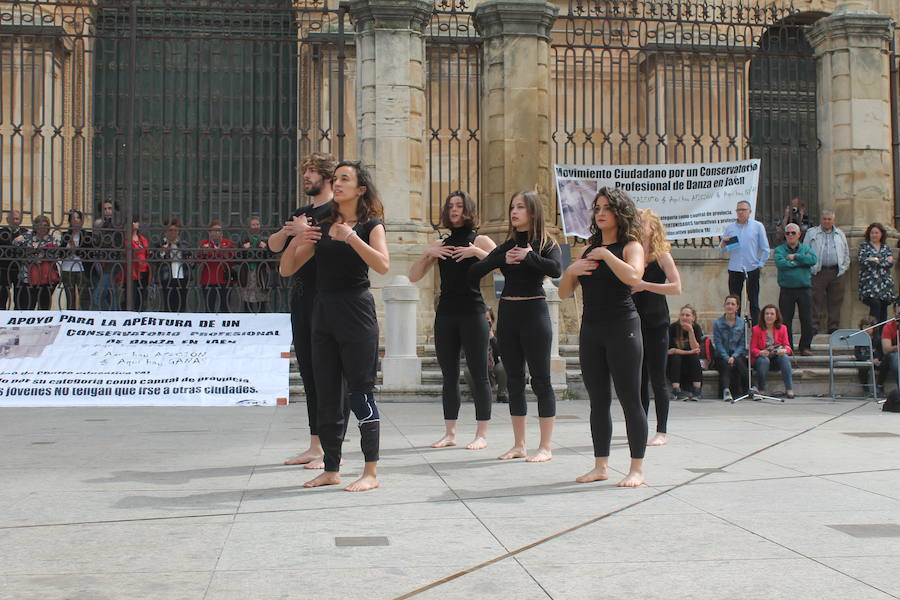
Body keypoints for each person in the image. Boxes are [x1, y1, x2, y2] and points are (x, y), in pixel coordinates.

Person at [279, 160, 389, 492]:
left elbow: (382, 265)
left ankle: (370, 472)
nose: (337, 184)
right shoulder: (323, 224)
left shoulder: (372, 225)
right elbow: (287, 269)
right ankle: (331, 467)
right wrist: (298, 241)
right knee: (327, 392)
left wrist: (352, 237)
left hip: (356, 310)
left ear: (360, 189)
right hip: (322, 312)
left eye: (345, 179)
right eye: (336, 178)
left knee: (359, 392)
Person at [558, 187, 647, 486]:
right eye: (597, 207)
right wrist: (571, 269)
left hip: (623, 327)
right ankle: (601, 466)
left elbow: (634, 277)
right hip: (591, 330)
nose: (600, 212)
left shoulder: (630, 246)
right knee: (598, 401)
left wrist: (607, 256)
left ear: (619, 212)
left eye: (606, 207)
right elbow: (563, 292)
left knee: (630, 400)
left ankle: (636, 469)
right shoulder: (587, 249)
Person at [468, 191, 562, 463]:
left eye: (520, 207)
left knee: (541, 380)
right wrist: (501, 260)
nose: (514, 211)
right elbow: (474, 273)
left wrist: (530, 257)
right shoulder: (506, 246)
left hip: (535, 313)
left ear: (532, 212)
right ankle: (519, 444)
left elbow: (556, 269)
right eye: (512, 207)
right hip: (508, 313)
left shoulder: (546, 243)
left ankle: (545, 446)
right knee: (515, 380)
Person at [409, 191, 497, 450]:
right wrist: (429, 253)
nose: (454, 209)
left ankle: (481, 433)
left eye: (459, 205)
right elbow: (414, 276)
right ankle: (450, 433)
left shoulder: (479, 239)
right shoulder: (441, 242)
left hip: (473, 313)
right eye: (450, 206)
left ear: (468, 209)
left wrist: (476, 252)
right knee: (449, 375)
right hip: (446, 314)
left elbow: (503, 266)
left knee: (480, 373)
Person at [269, 152, 337, 469]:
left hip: (327, 299)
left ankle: (329, 447)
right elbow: (273, 246)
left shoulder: (336, 213)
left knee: (328, 375)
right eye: (304, 170)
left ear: (326, 175)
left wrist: (299, 238)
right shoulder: (301, 214)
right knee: (309, 374)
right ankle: (314, 445)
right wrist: (290, 233)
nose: (306, 176)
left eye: (311, 171)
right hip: (301, 300)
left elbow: (312, 252)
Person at [632, 208, 682, 447]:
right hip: (634, 321)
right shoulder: (632, 253)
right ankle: (640, 426)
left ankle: (662, 430)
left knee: (658, 377)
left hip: (657, 322)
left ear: (653, 228)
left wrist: (645, 285)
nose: (638, 227)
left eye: (642, 224)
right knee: (638, 377)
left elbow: (676, 287)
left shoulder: (662, 255)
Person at [720, 200, 769, 326]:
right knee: (734, 302)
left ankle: (757, 331)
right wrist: (723, 244)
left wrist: (760, 264)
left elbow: (765, 248)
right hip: (735, 268)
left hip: (752, 267)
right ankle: (735, 329)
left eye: (743, 210)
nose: (741, 212)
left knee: (753, 301)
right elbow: (722, 250)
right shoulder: (730, 228)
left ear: (750, 212)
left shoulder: (757, 226)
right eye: (738, 210)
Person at [774, 222, 817, 356]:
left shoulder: (806, 249)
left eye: (793, 233)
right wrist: (801, 262)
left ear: (799, 235)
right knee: (785, 320)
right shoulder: (779, 250)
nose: (790, 235)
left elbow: (813, 260)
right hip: (787, 289)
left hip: (804, 289)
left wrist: (796, 257)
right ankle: (788, 346)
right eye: (788, 233)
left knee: (807, 319)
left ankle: (805, 347)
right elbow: (781, 264)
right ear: (785, 235)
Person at [805, 210, 850, 334]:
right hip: (818, 272)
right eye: (824, 219)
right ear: (821, 220)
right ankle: (813, 326)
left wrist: (844, 267)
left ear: (833, 221)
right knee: (815, 300)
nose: (827, 221)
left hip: (836, 272)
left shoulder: (840, 234)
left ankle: (833, 327)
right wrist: (810, 267)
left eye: (829, 219)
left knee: (836, 300)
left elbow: (846, 252)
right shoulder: (811, 233)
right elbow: (805, 251)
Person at [13, 215, 60, 310]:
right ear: (35, 226)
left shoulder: (52, 239)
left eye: (45, 225)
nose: (42, 228)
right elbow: (15, 245)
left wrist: (38, 252)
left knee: (44, 306)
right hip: (28, 277)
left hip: (45, 278)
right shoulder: (28, 235)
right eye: (40, 225)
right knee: (28, 306)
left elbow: (56, 255)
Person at [750, 304, 795, 399]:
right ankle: (761, 389)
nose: (769, 316)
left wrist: (784, 350)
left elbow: (788, 347)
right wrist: (760, 352)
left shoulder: (783, 328)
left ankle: (789, 389)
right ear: (763, 316)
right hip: (762, 360)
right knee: (764, 360)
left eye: (772, 314)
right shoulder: (756, 329)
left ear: (776, 316)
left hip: (776, 359)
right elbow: (753, 349)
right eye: (767, 314)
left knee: (785, 357)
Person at [464, 308, 508, 404]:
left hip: (494, 368)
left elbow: (502, 352)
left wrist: (492, 338)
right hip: (479, 368)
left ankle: (501, 394)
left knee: (504, 367)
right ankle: (477, 395)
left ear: (492, 320)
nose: (485, 322)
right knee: (467, 371)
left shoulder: (497, 334)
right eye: (482, 319)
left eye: (487, 319)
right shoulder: (473, 335)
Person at [857, 222, 895, 327]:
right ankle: (873, 333)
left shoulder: (886, 248)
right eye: (872, 233)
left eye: (877, 233)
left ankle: (882, 337)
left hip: (884, 284)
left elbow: (890, 263)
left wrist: (875, 260)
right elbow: (862, 260)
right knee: (875, 305)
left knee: (883, 308)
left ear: (881, 234)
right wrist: (881, 261)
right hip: (870, 283)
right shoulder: (864, 246)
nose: (874, 235)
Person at [713, 295, 748, 402]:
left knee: (741, 362)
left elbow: (742, 343)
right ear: (724, 306)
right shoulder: (717, 323)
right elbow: (718, 343)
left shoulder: (742, 323)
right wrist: (727, 357)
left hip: (737, 354)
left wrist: (734, 356)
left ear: (737, 307)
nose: (730, 306)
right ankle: (726, 390)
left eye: (733, 304)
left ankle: (749, 388)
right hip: (722, 354)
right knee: (725, 364)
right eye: (728, 303)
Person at [91, 200, 124, 311]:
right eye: (104, 209)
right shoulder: (99, 224)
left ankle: (110, 315)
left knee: (97, 297)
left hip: (112, 264)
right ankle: (115, 319)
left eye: (109, 208)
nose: (107, 211)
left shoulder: (118, 224)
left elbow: (118, 244)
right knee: (111, 295)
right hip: (100, 263)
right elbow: (95, 243)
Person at [668, 305, 704, 401]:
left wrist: (691, 331)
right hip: (673, 362)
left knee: (694, 358)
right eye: (682, 315)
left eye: (687, 315)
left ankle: (697, 390)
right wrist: (689, 352)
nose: (684, 317)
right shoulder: (672, 327)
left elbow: (695, 348)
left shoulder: (696, 328)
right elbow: (670, 351)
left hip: (689, 362)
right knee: (676, 357)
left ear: (693, 318)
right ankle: (676, 390)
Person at [154, 217, 191, 312]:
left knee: (182, 304)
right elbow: (155, 259)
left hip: (182, 277)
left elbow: (191, 261)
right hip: (167, 277)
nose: (172, 233)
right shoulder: (160, 244)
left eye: (175, 230)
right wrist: (163, 251)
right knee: (168, 304)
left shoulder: (184, 244)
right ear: (165, 232)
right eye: (170, 230)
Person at [198, 220, 235, 313]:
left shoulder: (228, 243)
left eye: (219, 231)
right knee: (209, 307)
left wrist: (226, 254)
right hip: (208, 279)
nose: (216, 233)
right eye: (214, 230)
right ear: (209, 232)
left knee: (225, 306)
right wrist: (204, 253)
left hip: (224, 278)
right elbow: (199, 261)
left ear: (222, 232)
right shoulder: (204, 244)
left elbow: (233, 261)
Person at [59, 210, 94, 310]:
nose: (75, 220)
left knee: (84, 297)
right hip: (67, 269)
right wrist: (69, 251)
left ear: (81, 221)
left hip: (82, 269)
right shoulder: (65, 235)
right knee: (70, 298)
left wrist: (75, 249)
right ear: (69, 221)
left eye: (78, 218)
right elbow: (60, 253)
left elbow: (88, 253)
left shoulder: (87, 235)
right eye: (73, 218)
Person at [237, 216, 271, 313]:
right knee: (248, 298)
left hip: (261, 272)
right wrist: (244, 249)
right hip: (247, 271)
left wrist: (266, 248)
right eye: (253, 225)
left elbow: (271, 257)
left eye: (257, 224)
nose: (255, 227)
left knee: (261, 297)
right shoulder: (243, 239)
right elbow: (238, 258)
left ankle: (262, 319)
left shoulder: (265, 239)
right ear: (249, 226)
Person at [0, 210, 27, 309]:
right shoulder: (2, 232)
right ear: (7, 220)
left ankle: (18, 319)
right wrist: (14, 241)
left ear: (20, 220)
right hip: (4, 269)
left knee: (20, 298)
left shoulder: (25, 232)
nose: (14, 221)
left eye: (17, 219)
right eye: (12, 219)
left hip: (20, 269)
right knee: (2, 296)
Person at [124, 217, 151, 311]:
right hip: (132, 272)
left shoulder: (142, 239)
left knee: (142, 297)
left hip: (144, 272)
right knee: (132, 297)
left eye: (135, 221)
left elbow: (147, 253)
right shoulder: (126, 239)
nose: (133, 224)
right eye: (131, 222)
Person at [856, 316, 884, 394]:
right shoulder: (859, 339)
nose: (867, 330)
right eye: (865, 327)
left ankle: (879, 386)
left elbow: (881, 352)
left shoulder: (877, 339)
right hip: (864, 360)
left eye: (869, 327)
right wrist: (865, 360)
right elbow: (857, 353)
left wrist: (878, 359)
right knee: (862, 370)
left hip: (875, 361)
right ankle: (866, 388)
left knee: (884, 367)